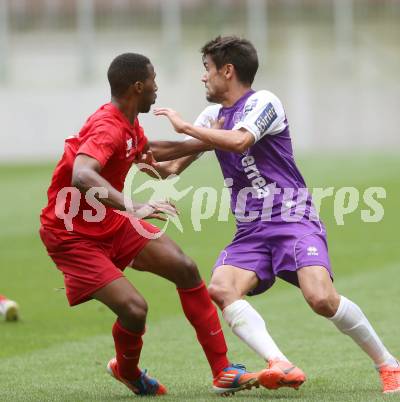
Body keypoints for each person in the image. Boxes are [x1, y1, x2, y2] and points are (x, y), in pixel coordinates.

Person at [152, 36, 400, 394]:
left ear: (228, 70)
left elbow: (239, 141)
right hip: (251, 230)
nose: (203, 77)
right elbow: (173, 164)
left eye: (207, 69)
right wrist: (127, 149)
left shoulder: (264, 102)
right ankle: (280, 363)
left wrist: (186, 127)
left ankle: (388, 363)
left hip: (293, 220)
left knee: (321, 299)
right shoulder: (213, 116)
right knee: (222, 288)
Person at [39, 52, 259, 397]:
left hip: (106, 219)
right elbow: (83, 174)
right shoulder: (107, 126)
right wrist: (136, 206)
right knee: (135, 309)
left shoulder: (127, 124)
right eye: (153, 81)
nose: (157, 88)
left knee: (185, 268)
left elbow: (152, 150)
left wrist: (208, 140)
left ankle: (223, 371)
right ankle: (127, 371)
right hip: (71, 234)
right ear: (138, 86)